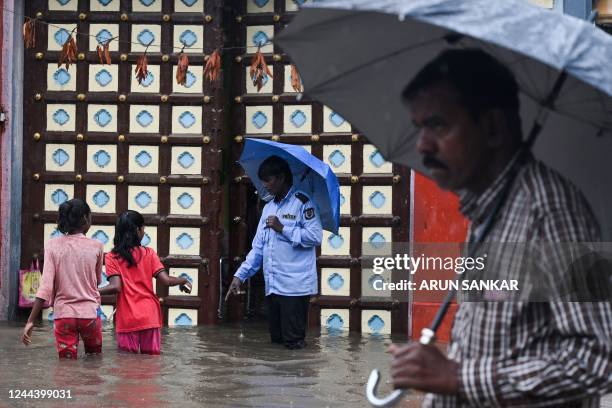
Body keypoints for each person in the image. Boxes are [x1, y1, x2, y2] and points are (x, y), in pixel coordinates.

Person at [389, 49, 612, 406]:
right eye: (420, 128)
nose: (422, 145)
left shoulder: (551, 210)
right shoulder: (488, 210)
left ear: (492, 127)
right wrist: (438, 373)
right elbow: (496, 342)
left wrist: (456, 376)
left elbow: (596, 359)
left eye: (438, 125)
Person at [225, 155, 322, 349]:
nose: (265, 185)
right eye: (263, 180)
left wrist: (283, 229)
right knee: (277, 343)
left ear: (281, 178)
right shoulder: (268, 207)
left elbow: (315, 237)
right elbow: (258, 248)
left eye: (268, 180)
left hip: (295, 288)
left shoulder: (303, 203)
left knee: (294, 344)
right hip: (274, 286)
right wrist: (239, 276)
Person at [21, 198, 105, 359]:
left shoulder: (52, 245)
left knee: (66, 365)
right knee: (94, 360)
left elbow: (46, 287)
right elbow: (97, 281)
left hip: (64, 315)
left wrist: (30, 321)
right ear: (85, 218)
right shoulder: (97, 246)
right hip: (90, 315)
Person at [99, 210, 191, 355]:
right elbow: (166, 280)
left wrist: (92, 291)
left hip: (128, 319)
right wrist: (183, 280)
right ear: (137, 230)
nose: (144, 232)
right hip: (150, 317)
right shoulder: (149, 253)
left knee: (127, 366)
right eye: (143, 229)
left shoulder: (112, 257)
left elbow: (116, 287)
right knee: (151, 364)